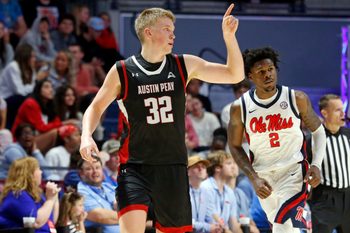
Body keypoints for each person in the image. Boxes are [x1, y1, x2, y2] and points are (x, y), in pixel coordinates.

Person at [79, 4, 244, 233]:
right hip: (135, 167)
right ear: (148, 32)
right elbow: (95, 107)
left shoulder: (183, 64)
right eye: (167, 29)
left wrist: (229, 37)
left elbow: (234, 74)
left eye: (173, 29)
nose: (173, 34)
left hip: (173, 167)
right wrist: (86, 136)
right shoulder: (123, 70)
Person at [227, 47, 326, 233]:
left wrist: (317, 164)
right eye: (261, 72)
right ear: (250, 76)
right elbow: (234, 146)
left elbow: (319, 131)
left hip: (294, 172)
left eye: (270, 69)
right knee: (285, 226)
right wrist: (253, 178)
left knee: (283, 226)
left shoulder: (296, 98)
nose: (268, 75)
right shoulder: (240, 108)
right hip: (263, 176)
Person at [308, 94, 350, 233]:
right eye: (337, 110)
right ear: (324, 113)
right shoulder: (312, 140)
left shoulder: (348, 135)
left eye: (342, 109)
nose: (343, 113)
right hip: (325, 200)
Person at [0, 157, 60, 232]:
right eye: (38, 169)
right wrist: (50, 200)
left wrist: (54, 197)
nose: (41, 172)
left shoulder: (36, 194)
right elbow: (36, 222)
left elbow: (51, 221)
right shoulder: (17, 195)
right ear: (29, 174)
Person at [77, 156, 120, 233]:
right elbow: (101, 216)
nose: (95, 171)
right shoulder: (81, 192)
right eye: (89, 169)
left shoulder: (110, 187)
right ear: (81, 173)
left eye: (97, 167)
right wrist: (132, 217)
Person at [187, 155, 222, 233]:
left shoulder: (206, 192)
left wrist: (216, 226)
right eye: (196, 166)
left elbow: (209, 216)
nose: (201, 169)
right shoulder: (183, 192)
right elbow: (186, 223)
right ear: (188, 171)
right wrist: (207, 227)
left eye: (203, 167)